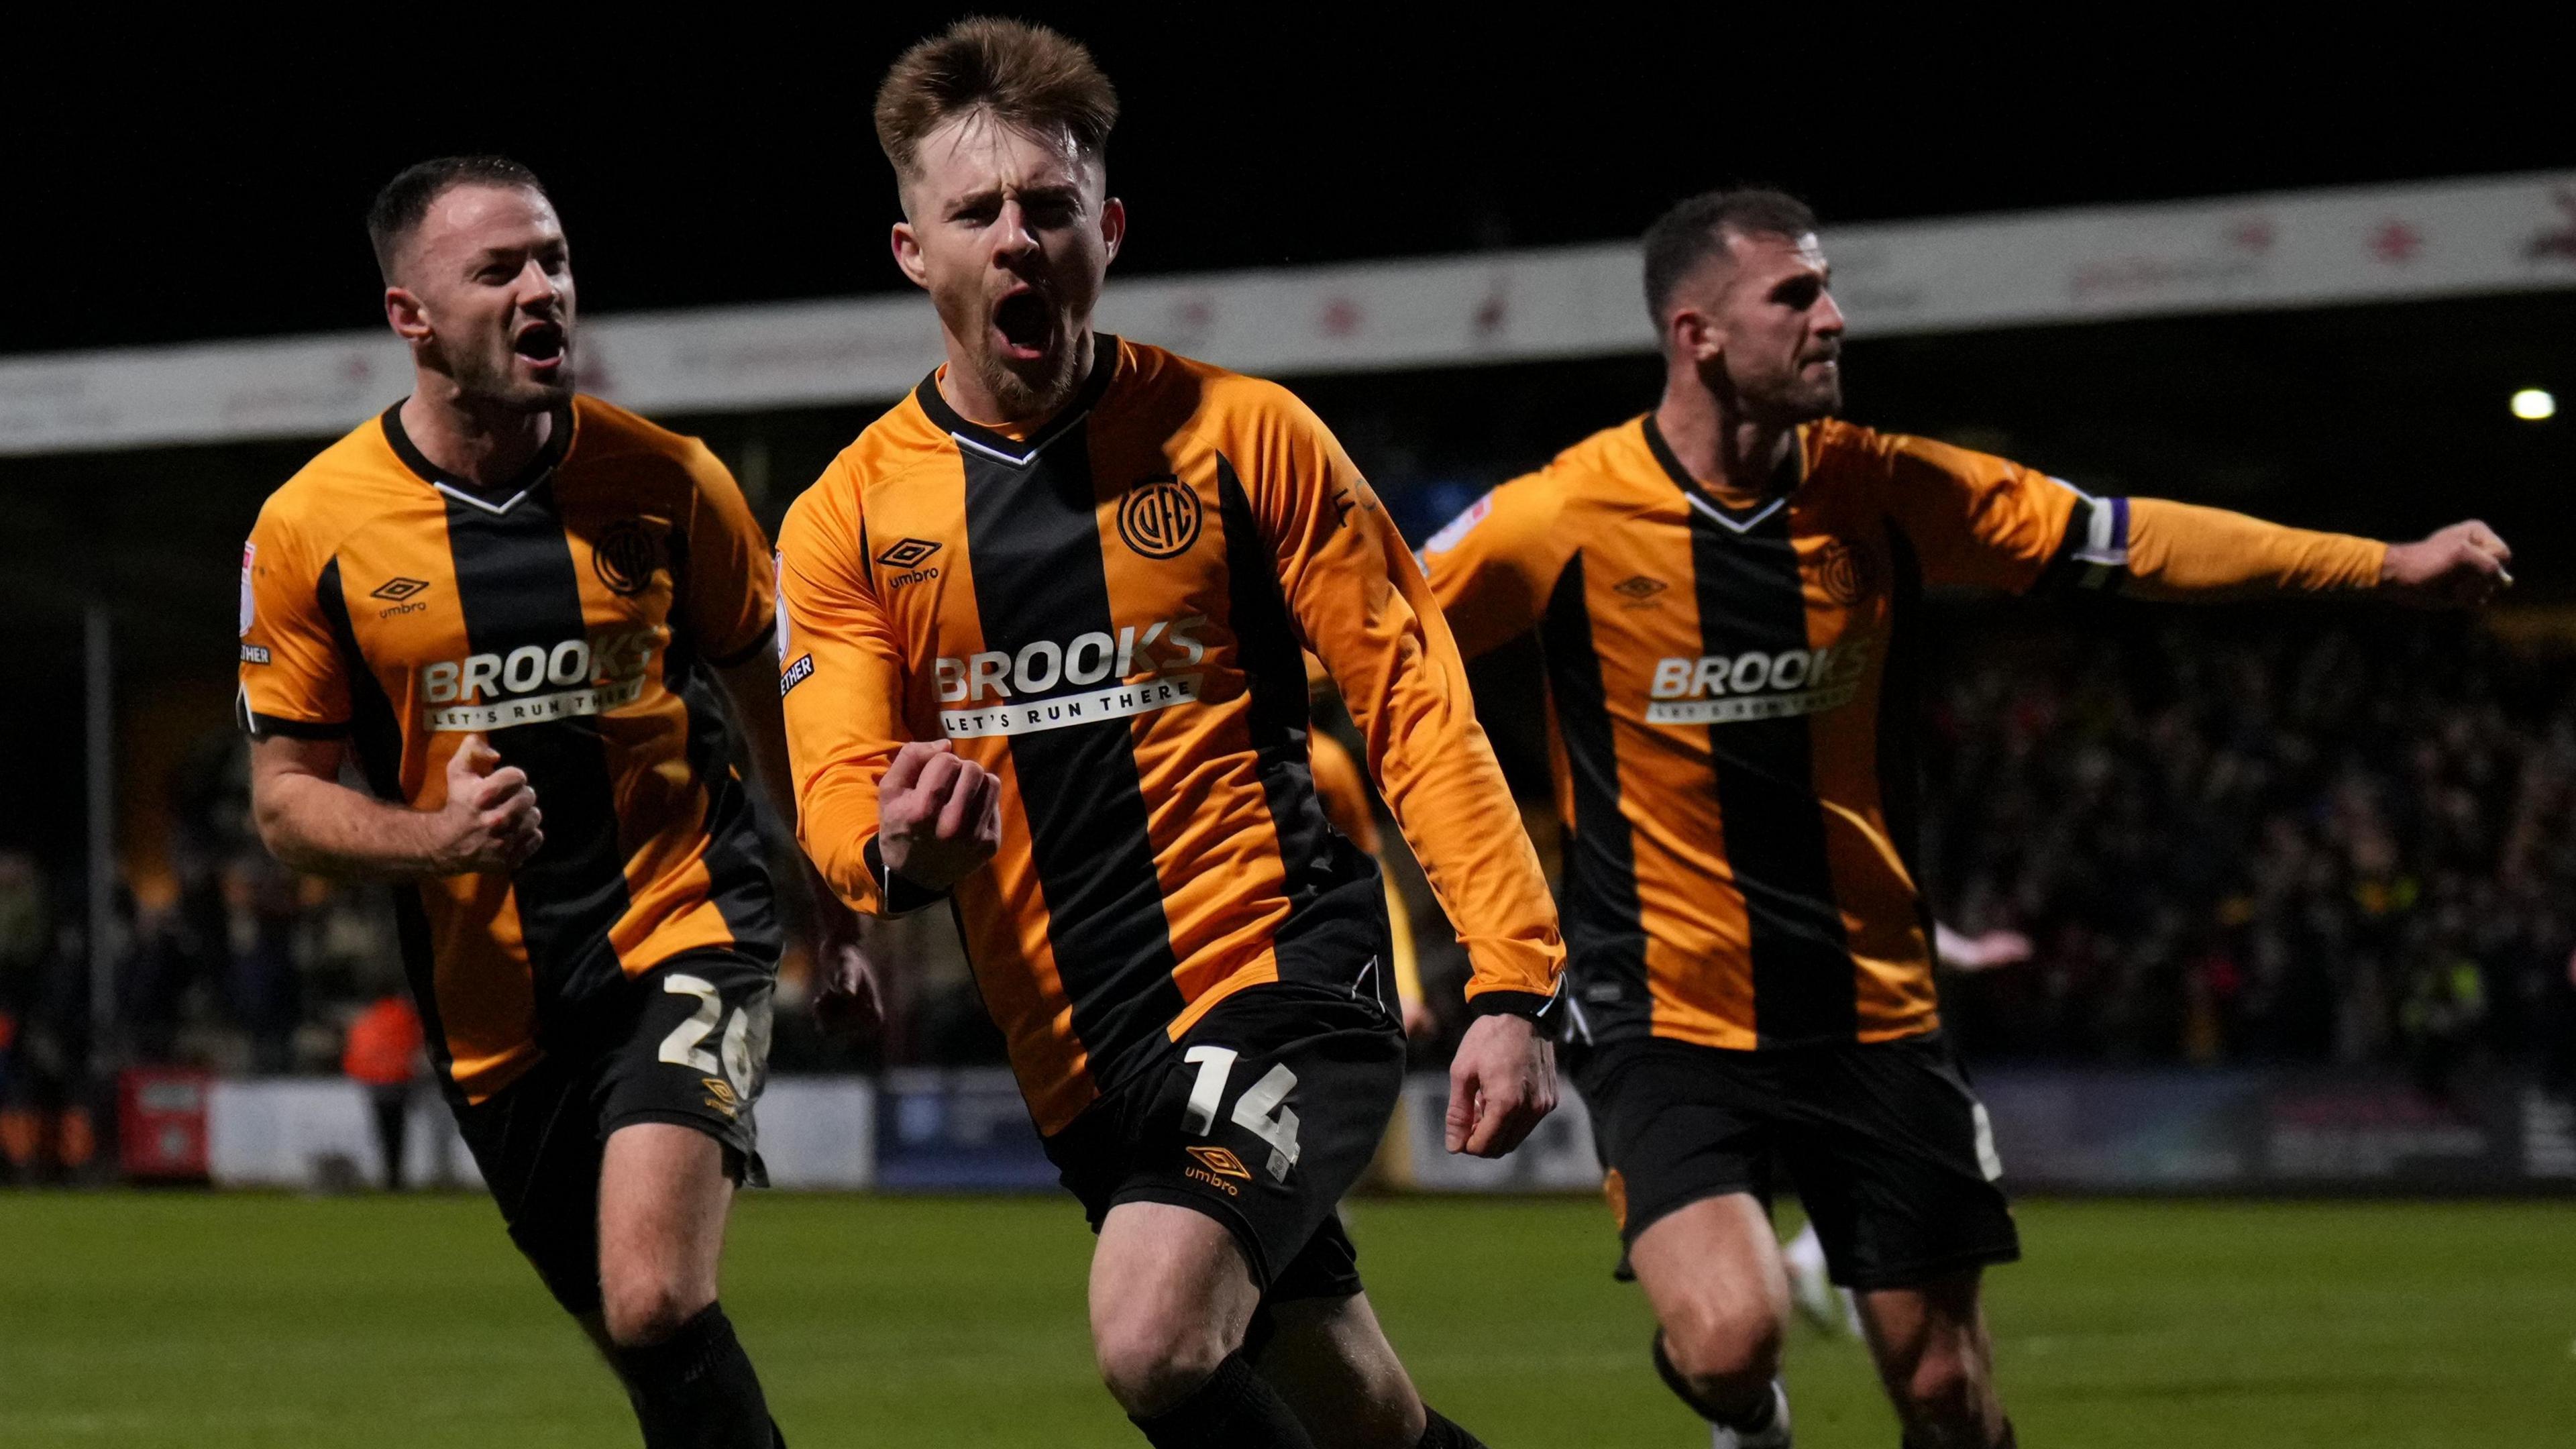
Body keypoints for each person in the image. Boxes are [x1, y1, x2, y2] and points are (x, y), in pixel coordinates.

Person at [1418, 187, 2512, 1449]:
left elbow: (2129, 539)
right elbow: (1377, 628)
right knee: (1728, 1338)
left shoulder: (1888, 490)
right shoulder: (1560, 519)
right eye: (1796, 296)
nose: (1834, 319)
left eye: (1827, 288)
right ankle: (1747, 1416)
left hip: (1874, 1007)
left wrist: (2379, 565)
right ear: (1697, 334)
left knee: (1945, 1397)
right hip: (1668, 1012)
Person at [776, 21, 1563, 1449]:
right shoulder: (844, 519)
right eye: (976, 212)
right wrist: (890, 854)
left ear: (1109, 229)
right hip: (1078, 1050)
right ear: (915, 253)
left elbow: (1415, 703)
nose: (1017, 239)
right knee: (1364, 1415)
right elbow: (832, 785)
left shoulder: (1244, 437)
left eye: (1050, 206)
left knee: (1151, 1335)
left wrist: (1512, 977)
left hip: (1275, 971)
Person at [239, 154, 858, 1448]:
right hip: (493, 1006)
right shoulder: (310, 531)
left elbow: (778, 710)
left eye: (556, 261)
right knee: (653, 1357)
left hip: (685, 926)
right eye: (500, 270)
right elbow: (287, 803)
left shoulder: (673, 481)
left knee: (653, 1296)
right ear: (411, 316)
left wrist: (840, 909)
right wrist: (437, 839)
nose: (545, 291)